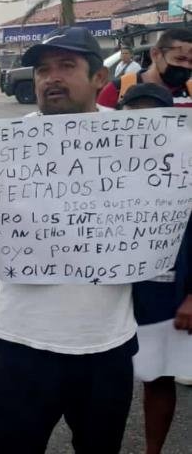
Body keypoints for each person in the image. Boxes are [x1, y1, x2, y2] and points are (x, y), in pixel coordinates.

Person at [0, 27, 138, 454]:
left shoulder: (136, 143)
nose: (51, 78)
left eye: (67, 66)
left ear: (100, 78)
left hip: (106, 342)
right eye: (43, 69)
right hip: (21, 342)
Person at [118, 83, 192, 454]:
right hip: (109, 294)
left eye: (153, 114)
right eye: (134, 114)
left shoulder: (187, 165)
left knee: (158, 379)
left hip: (164, 294)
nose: (144, 123)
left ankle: (153, 451)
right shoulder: (98, 164)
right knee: (103, 381)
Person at [98, 28, 192, 108]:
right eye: (180, 59)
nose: (186, 66)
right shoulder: (116, 90)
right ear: (155, 54)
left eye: (191, 62)